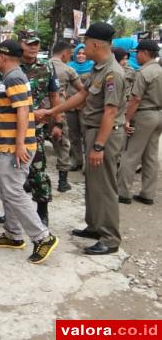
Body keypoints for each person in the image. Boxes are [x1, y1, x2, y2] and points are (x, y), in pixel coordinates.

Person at [0, 40, 58, 264]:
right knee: (7, 191)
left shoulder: (14, 77)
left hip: (16, 146)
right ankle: (13, 235)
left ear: (4, 57)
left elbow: (24, 112)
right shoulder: (10, 77)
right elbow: (6, 112)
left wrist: (19, 145)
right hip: (9, 144)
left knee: (14, 191)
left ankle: (42, 237)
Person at [42, 22, 125, 255]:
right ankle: (94, 226)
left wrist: (99, 145)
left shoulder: (113, 73)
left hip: (104, 135)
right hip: (93, 132)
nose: (82, 47)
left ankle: (109, 238)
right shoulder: (99, 69)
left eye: (85, 43)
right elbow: (82, 95)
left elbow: (110, 112)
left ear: (96, 44)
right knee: (93, 183)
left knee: (105, 186)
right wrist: (52, 112)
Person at [14, 31, 62, 226]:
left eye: (36, 43)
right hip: (13, 126)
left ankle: (42, 211)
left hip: (37, 127)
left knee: (38, 170)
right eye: (29, 43)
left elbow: (54, 95)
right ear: (21, 44)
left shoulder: (47, 66)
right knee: (12, 171)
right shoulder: (11, 65)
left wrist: (57, 122)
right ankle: (12, 212)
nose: (34, 47)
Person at [117, 39, 162, 206]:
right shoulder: (159, 70)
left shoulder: (144, 72)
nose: (136, 56)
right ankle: (147, 194)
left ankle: (123, 192)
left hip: (144, 115)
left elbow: (135, 99)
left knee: (130, 154)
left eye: (138, 53)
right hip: (158, 115)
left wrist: (127, 119)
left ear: (145, 53)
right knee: (150, 156)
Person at [48, 41, 83, 192]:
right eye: (70, 54)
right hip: (59, 110)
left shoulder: (42, 66)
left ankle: (31, 180)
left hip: (39, 111)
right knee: (62, 144)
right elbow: (82, 90)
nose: (70, 58)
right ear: (64, 54)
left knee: (35, 143)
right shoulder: (68, 70)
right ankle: (63, 182)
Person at [66, 43, 94, 171]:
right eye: (79, 53)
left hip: (86, 106)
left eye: (83, 53)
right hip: (70, 105)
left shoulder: (93, 67)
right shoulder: (68, 67)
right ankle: (76, 160)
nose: (81, 56)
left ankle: (88, 163)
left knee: (87, 134)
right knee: (73, 134)